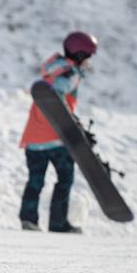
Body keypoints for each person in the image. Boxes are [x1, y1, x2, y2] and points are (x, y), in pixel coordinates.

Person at [17, 31, 98, 233]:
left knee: (35, 180)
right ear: (80, 54)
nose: (88, 60)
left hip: (34, 137)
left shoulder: (50, 70)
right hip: (57, 139)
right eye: (87, 56)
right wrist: (71, 122)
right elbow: (59, 92)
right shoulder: (71, 74)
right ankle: (58, 223)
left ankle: (28, 219)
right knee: (65, 179)